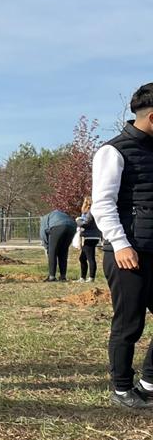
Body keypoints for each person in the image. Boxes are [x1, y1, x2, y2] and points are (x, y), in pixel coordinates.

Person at [91, 82, 153, 410]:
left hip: (152, 248)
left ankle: (149, 381)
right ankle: (122, 388)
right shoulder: (113, 152)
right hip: (127, 252)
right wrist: (120, 244)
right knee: (130, 322)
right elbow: (102, 204)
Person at [40, 210, 76, 281]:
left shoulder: (44, 219)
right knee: (63, 252)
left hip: (58, 226)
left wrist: (47, 247)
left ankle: (52, 277)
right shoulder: (56, 215)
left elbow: (43, 234)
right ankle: (63, 276)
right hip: (72, 227)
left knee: (52, 252)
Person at [76, 196, 101, 283]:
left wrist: (78, 221)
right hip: (90, 236)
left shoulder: (91, 212)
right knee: (82, 258)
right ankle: (82, 278)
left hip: (91, 237)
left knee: (90, 258)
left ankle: (91, 278)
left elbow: (86, 223)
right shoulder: (90, 212)